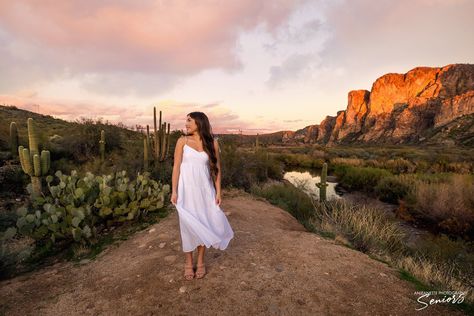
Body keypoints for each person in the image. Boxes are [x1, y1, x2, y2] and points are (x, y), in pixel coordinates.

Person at [170, 112, 234, 280]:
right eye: (186, 120)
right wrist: (174, 190)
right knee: (188, 226)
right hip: (186, 190)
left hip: (205, 190)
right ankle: (188, 261)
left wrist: (218, 191)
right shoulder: (182, 141)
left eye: (189, 120)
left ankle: (200, 261)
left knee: (204, 222)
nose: (186, 123)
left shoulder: (212, 143)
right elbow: (176, 167)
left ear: (199, 122)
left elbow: (217, 170)